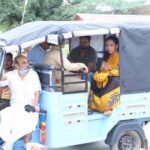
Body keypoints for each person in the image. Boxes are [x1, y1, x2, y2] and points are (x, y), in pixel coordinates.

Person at [0, 55, 41, 149]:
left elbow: (37, 92)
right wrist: (2, 78)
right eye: (23, 63)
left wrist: (35, 106)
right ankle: (8, 143)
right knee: (4, 115)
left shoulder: (33, 74)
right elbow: (1, 84)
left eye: (27, 62)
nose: (27, 65)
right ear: (16, 65)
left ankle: (24, 144)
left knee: (29, 121)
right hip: (15, 106)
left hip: (30, 106)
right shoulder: (10, 75)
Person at [89, 35, 120, 115]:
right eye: (107, 45)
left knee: (114, 81)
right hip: (106, 76)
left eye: (111, 45)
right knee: (94, 79)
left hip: (116, 78)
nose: (109, 47)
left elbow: (121, 71)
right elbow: (102, 68)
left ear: (116, 46)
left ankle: (109, 108)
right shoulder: (107, 57)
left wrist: (109, 72)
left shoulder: (120, 57)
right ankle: (94, 105)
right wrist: (102, 70)